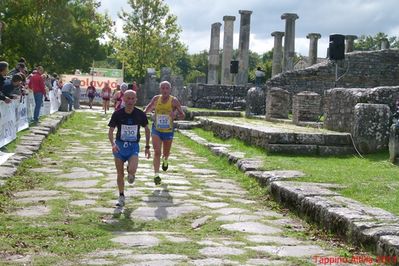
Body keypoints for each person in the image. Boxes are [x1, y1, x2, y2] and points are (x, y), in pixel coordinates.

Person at [108, 90, 151, 207]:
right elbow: (111, 131)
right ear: (123, 99)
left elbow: (147, 129)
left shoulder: (140, 114)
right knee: (120, 173)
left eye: (133, 99)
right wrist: (113, 144)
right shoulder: (117, 114)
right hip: (120, 147)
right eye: (128, 98)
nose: (130, 101)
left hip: (133, 147)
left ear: (136, 100)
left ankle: (131, 172)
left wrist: (147, 146)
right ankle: (121, 196)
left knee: (132, 171)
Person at [144, 81, 185, 185]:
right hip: (156, 129)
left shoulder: (174, 101)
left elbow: (182, 115)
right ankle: (156, 175)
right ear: (160, 89)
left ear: (170, 90)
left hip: (168, 131)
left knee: (165, 153)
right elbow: (148, 108)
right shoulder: (156, 99)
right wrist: (141, 115)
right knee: (157, 151)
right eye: (163, 88)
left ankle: (165, 160)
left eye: (167, 88)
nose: (165, 90)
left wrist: (174, 114)